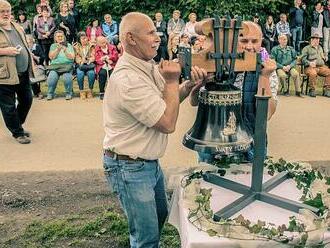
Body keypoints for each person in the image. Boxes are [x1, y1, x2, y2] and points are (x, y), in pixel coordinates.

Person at [102, 12, 207, 248]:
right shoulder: (128, 79)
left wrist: (187, 85)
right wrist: (171, 80)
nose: (157, 38)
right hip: (129, 166)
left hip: (146, 164)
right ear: (130, 38)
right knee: (146, 237)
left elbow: (165, 102)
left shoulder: (145, 65)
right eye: (150, 33)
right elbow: (167, 122)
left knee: (158, 218)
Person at [196, 21, 278, 163]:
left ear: (261, 42)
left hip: (251, 145)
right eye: (244, 41)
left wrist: (263, 77)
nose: (250, 46)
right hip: (215, 144)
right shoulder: (217, 65)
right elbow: (193, 101)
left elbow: (266, 115)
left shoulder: (268, 69)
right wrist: (199, 84)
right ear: (233, 42)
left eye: (255, 41)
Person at [0, 0, 35, 144]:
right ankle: (17, 132)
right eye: (2, 11)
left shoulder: (16, 26)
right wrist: (5, 51)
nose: (6, 14)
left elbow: (25, 45)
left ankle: (16, 125)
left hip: (22, 72)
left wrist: (30, 57)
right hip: (4, 75)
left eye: (7, 11)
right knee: (8, 107)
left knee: (27, 99)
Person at [46, 30, 75, 100]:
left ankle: (69, 93)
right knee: (51, 78)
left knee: (67, 78)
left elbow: (72, 57)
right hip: (55, 66)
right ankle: (50, 93)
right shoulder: (53, 46)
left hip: (67, 66)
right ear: (55, 38)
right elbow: (51, 57)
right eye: (58, 36)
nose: (60, 38)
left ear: (64, 37)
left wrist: (65, 50)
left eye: (61, 36)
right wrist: (57, 50)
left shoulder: (69, 45)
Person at [301, 33, 330, 97]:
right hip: (310, 67)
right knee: (313, 73)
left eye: (318, 39)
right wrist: (309, 63)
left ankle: (327, 90)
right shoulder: (306, 48)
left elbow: (323, 58)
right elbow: (303, 59)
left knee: (329, 72)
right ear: (311, 40)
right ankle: (312, 90)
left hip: (320, 67)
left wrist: (325, 58)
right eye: (315, 39)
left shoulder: (320, 48)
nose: (317, 40)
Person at [73, 31, 96, 99]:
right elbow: (76, 57)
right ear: (79, 40)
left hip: (89, 64)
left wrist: (89, 60)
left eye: (86, 38)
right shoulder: (76, 47)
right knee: (80, 74)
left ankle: (90, 91)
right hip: (81, 65)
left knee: (91, 73)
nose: (85, 40)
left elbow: (93, 55)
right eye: (83, 38)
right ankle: (81, 91)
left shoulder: (91, 45)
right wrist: (81, 61)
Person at [26, 34, 45, 99]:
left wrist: (33, 56)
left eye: (29, 42)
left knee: (30, 75)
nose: (28, 44)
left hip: (37, 67)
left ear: (32, 41)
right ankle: (36, 93)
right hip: (27, 67)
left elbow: (42, 59)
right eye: (26, 42)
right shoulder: (24, 48)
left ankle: (38, 92)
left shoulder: (37, 47)